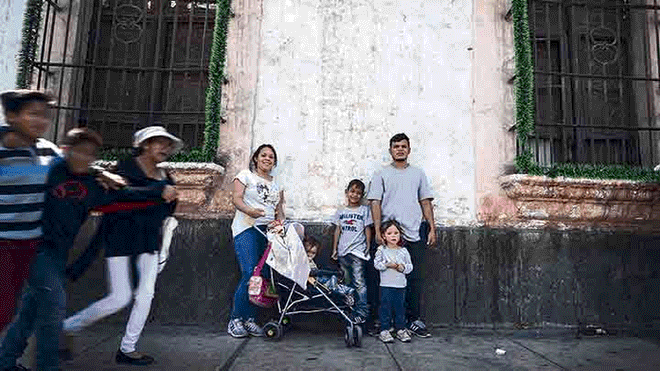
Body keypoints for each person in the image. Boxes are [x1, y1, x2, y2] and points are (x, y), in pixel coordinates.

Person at [0, 128, 175, 371]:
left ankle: (6, 361)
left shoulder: (95, 186)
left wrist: (159, 191)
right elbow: (11, 173)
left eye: (91, 154)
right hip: (32, 246)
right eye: (79, 152)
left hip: (59, 252)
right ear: (66, 151)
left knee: (31, 309)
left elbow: (128, 196)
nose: (85, 158)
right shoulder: (50, 172)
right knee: (52, 305)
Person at [62, 126, 182, 366]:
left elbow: (167, 208)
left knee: (146, 295)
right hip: (120, 238)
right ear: (146, 144)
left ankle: (128, 348)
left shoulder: (166, 176)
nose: (165, 149)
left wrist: (166, 199)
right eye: (160, 143)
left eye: (168, 145)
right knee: (120, 297)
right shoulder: (125, 167)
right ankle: (66, 327)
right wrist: (159, 193)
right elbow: (120, 195)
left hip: (149, 241)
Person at [367, 132, 436, 338]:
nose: (399, 149)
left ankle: (413, 320)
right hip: (389, 237)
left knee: (413, 279)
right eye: (396, 146)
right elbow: (375, 202)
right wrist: (379, 230)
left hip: (414, 234)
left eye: (403, 146)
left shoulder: (418, 174)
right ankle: (382, 322)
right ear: (390, 150)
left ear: (409, 150)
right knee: (382, 281)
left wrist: (432, 228)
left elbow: (425, 201)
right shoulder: (381, 174)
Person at [228, 144, 285, 338]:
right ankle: (235, 319)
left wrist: (280, 224)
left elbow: (279, 210)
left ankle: (250, 319)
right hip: (247, 228)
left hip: (268, 234)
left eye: (271, 156)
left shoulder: (277, 184)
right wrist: (249, 211)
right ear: (256, 159)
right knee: (249, 272)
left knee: (261, 277)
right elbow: (236, 199)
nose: (267, 159)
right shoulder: (245, 175)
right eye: (264, 155)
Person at [330, 179, 372, 323]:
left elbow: (367, 229)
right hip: (343, 252)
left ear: (362, 195)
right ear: (347, 192)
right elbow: (338, 230)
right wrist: (335, 249)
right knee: (346, 283)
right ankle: (349, 311)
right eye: (352, 191)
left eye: (358, 193)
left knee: (359, 282)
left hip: (357, 252)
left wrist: (368, 246)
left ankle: (362, 311)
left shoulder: (364, 210)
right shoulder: (341, 211)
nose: (355, 195)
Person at [373, 220, 413, 343]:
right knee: (385, 307)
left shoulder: (403, 251)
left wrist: (401, 267)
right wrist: (387, 265)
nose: (393, 236)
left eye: (396, 233)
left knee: (400, 307)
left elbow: (410, 267)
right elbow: (376, 265)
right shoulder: (381, 250)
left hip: (400, 285)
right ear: (384, 236)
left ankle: (400, 329)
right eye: (389, 233)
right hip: (386, 285)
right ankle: (384, 330)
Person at [304, 235, 355, 302]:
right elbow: (307, 276)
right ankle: (347, 293)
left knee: (333, 280)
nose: (310, 255)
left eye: (313, 253)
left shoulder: (311, 261)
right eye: (308, 252)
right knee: (332, 282)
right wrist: (315, 283)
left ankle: (348, 292)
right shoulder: (303, 262)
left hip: (320, 279)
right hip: (316, 283)